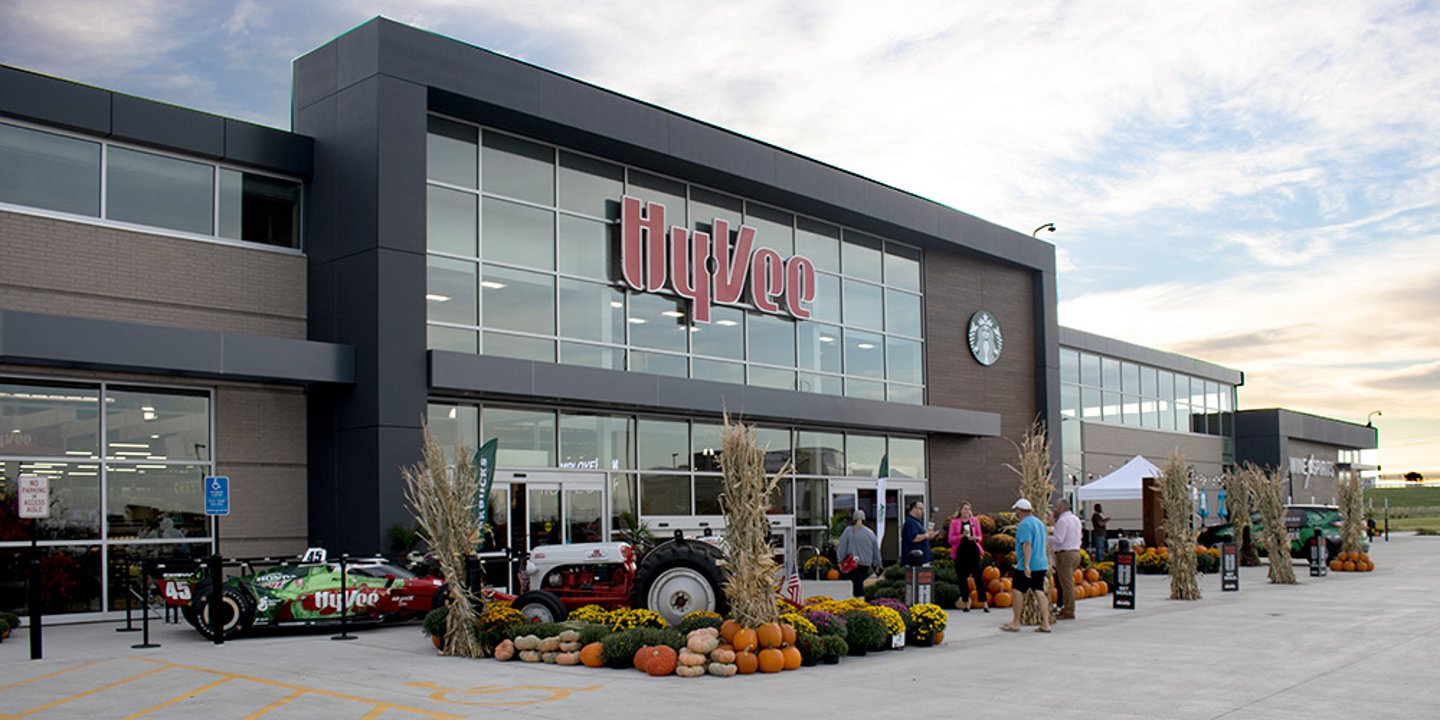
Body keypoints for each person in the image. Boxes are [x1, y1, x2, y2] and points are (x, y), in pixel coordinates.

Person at [1001, 498, 1051, 633]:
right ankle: (1046, 623)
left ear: (1020, 510)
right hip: (1041, 562)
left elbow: (1027, 544)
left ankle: (1016, 621)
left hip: (1028, 565)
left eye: (1016, 511)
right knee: (1039, 591)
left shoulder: (1024, 525)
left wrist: (1026, 564)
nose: (1016, 514)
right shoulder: (1039, 523)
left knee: (1017, 590)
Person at [948, 501, 987, 612]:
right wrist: (961, 536)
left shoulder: (975, 521)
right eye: (964, 509)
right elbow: (950, 539)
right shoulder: (954, 523)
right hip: (960, 551)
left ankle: (984, 603)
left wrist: (976, 538)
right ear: (960, 510)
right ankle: (966, 603)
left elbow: (980, 536)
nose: (967, 511)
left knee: (978, 577)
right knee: (962, 578)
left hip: (973, 550)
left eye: (968, 509)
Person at [1049, 499, 1083, 621]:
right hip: (1076, 552)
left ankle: (1069, 610)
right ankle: (1067, 607)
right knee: (1067, 583)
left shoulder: (1062, 521)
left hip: (1065, 554)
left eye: (1057, 507)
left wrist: (1046, 537)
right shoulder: (1076, 519)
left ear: (1061, 508)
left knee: (1066, 584)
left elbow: (1059, 539)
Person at [836, 510, 881, 598]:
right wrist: (877, 563)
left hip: (853, 562)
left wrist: (840, 560)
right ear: (864, 519)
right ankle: (861, 597)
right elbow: (876, 550)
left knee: (856, 581)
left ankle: (858, 599)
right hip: (866, 562)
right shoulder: (870, 533)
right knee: (861, 580)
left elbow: (842, 546)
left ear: (853, 519)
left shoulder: (848, 531)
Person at [901, 500, 935, 566]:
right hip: (916, 560)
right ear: (914, 509)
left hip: (922, 559)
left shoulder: (917, 522)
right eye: (921, 509)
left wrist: (930, 535)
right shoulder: (910, 522)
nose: (922, 512)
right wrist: (926, 535)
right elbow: (913, 537)